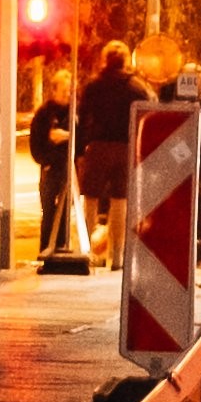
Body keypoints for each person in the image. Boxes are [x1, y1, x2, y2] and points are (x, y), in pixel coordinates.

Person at [77, 40, 142, 271]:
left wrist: (80, 150)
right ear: (125, 61)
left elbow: (82, 118)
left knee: (90, 199)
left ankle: (87, 253)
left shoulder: (93, 86)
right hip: (126, 148)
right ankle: (117, 256)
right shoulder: (136, 88)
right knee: (120, 200)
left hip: (98, 147)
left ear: (105, 59)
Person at [25, 66, 79, 263]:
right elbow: (36, 144)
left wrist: (67, 136)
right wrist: (46, 160)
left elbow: (82, 138)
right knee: (48, 212)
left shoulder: (75, 112)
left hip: (69, 168)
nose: (67, 95)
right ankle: (46, 250)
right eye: (64, 90)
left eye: (70, 91)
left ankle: (63, 248)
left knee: (65, 213)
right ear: (54, 90)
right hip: (50, 170)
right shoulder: (44, 114)